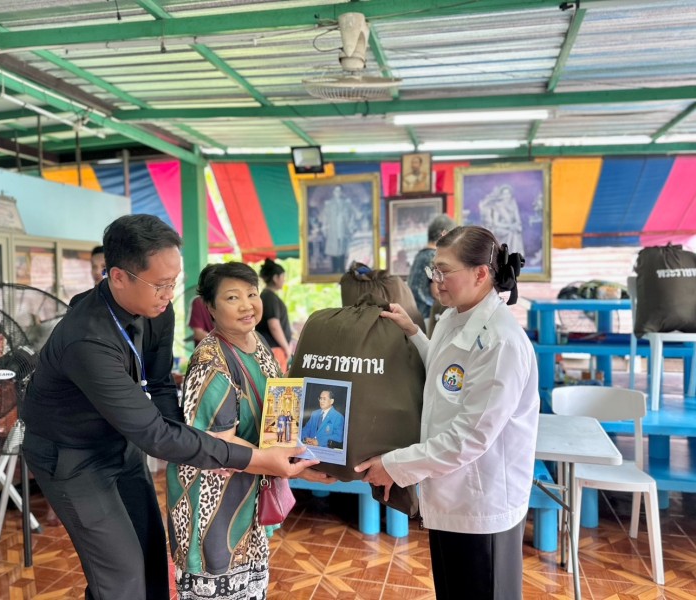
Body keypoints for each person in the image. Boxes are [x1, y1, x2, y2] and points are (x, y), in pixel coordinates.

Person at [21, 215, 316, 600]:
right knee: (122, 576)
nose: (168, 293)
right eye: (160, 284)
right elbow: (155, 435)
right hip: (71, 458)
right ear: (118, 276)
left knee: (151, 556)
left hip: (120, 441)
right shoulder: (87, 340)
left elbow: (159, 384)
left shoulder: (157, 310)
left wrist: (190, 441)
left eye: (173, 282)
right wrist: (257, 459)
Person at [355, 225, 539, 600]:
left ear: (481, 274)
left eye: (444, 271)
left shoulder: (500, 341)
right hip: (450, 494)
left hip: (481, 502)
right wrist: (414, 333)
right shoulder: (456, 317)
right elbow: (448, 376)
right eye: (433, 270)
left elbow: (469, 438)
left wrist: (394, 465)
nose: (435, 281)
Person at [167, 262, 334, 600]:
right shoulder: (210, 362)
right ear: (210, 307)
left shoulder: (257, 342)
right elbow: (216, 446)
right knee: (218, 586)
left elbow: (276, 419)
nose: (247, 305)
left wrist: (301, 460)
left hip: (251, 494)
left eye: (252, 294)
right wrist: (279, 464)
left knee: (251, 588)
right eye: (232, 297)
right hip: (214, 504)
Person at [407, 214, 456, 330]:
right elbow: (436, 291)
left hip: (414, 314)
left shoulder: (420, 255)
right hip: (428, 316)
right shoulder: (434, 256)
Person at [255, 258, 292, 372]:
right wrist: (286, 347)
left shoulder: (267, 296)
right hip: (274, 349)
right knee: (277, 381)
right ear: (276, 278)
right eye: (283, 277)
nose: (284, 280)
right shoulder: (269, 297)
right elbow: (274, 325)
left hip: (272, 348)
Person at [479, 184, 525, 257]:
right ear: (501, 195)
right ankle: (506, 256)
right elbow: (496, 223)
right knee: (511, 233)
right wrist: (509, 226)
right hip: (500, 228)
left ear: (511, 195)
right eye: (504, 194)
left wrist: (516, 226)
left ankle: (515, 257)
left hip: (512, 228)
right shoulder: (497, 206)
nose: (506, 196)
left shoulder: (513, 204)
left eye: (508, 194)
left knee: (515, 232)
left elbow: (518, 220)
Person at [321, 186, 354, 272]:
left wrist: (349, 227)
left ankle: (342, 268)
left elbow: (350, 217)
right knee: (334, 248)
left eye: (339, 191)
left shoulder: (345, 204)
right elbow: (325, 217)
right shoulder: (329, 204)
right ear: (333, 192)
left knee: (342, 248)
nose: (338, 193)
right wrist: (325, 228)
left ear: (341, 192)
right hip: (333, 229)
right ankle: (334, 269)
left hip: (342, 228)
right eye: (336, 191)